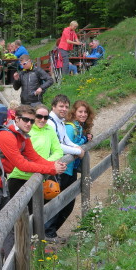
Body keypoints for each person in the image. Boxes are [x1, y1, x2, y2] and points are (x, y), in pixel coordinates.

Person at [0, 105, 66, 255]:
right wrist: (51, 169)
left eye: (31, 121)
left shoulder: (22, 137)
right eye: (26, 120)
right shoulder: (7, 136)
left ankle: (12, 262)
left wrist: (53, 164)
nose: (29, 124)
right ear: (17, 119)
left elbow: (35, 158)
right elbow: (21, 164)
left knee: (8, 221)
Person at [7, 104, 64, 213]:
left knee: (38, 214)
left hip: (40, 176)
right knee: (21, 216)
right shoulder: (26, 130)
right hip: (20, 177)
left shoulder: (49, 129)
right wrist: (50, 166)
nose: (42, 120)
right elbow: (24, 160)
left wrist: (49, 164)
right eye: (39, 116)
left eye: (46, 117)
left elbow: (58, 151)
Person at [45, 94, 84, 241]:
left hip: (59, 164)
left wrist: (78, 148)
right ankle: (47, 232)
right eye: (61, 106)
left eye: (66, 107)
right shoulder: (50, 123)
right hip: (53, 165)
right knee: (55, 199)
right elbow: (57, 145)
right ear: (53, 106)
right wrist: (77, 151)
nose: (64, 109)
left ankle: (49, 232)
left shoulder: (59, 122)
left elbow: (65, 140)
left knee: (62, 199)